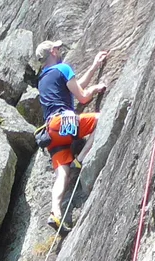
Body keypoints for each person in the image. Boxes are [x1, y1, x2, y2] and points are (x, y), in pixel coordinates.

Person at [34, 40, 110, 229]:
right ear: (53, 51)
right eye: (57, 48)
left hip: (50, 133)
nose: (60, 50)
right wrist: (94, 89)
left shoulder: (43, 79)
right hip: (63, 122)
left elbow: (74, 86)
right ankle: (81, 158)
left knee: (62, 174)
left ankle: (55, 212)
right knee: (103, 119)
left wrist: (94, 66)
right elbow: (82, 95)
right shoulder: (63, 68)